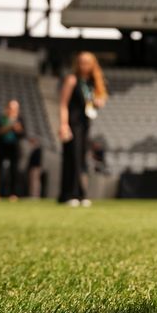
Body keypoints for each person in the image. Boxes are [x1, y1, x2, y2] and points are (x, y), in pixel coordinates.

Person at [59, 51, 107, 207]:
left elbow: (98, 101)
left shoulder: (92, 83)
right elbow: (63, 104)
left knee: (81, 160)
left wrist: (99, 102)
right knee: (72, 158)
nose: (83, 65)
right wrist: (63, 125)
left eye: (87, 62)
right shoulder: (72, 80)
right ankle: (68, 194)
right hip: (72, 124)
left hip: (85, 125)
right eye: (81, 62)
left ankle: (80, 194)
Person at [0, 100, 25, 200]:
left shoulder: (20, 119)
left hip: (14, 148)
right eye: (10, 108)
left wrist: (18, 129)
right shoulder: (2, 118)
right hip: (2, 147)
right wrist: (9, 127)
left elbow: (23, 134)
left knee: (14, 171)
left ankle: (14, 193)